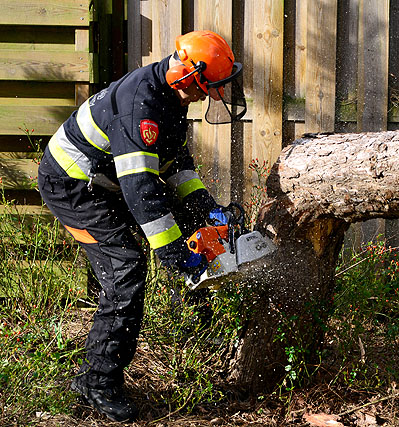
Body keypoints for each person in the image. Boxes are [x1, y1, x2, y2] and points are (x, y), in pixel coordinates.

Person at [37, 30, 246, 422]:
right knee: (127, 268)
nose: (210, 96)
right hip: (72, 184)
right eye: (207, 88)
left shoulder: (170, 97)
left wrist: (206, 209)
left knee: (186, 229)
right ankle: (96, 382)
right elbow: (141, 189)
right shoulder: (141, 106)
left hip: (108, 177)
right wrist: (171, 251)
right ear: (190, 76)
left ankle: (196, 332)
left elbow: (173, 163)